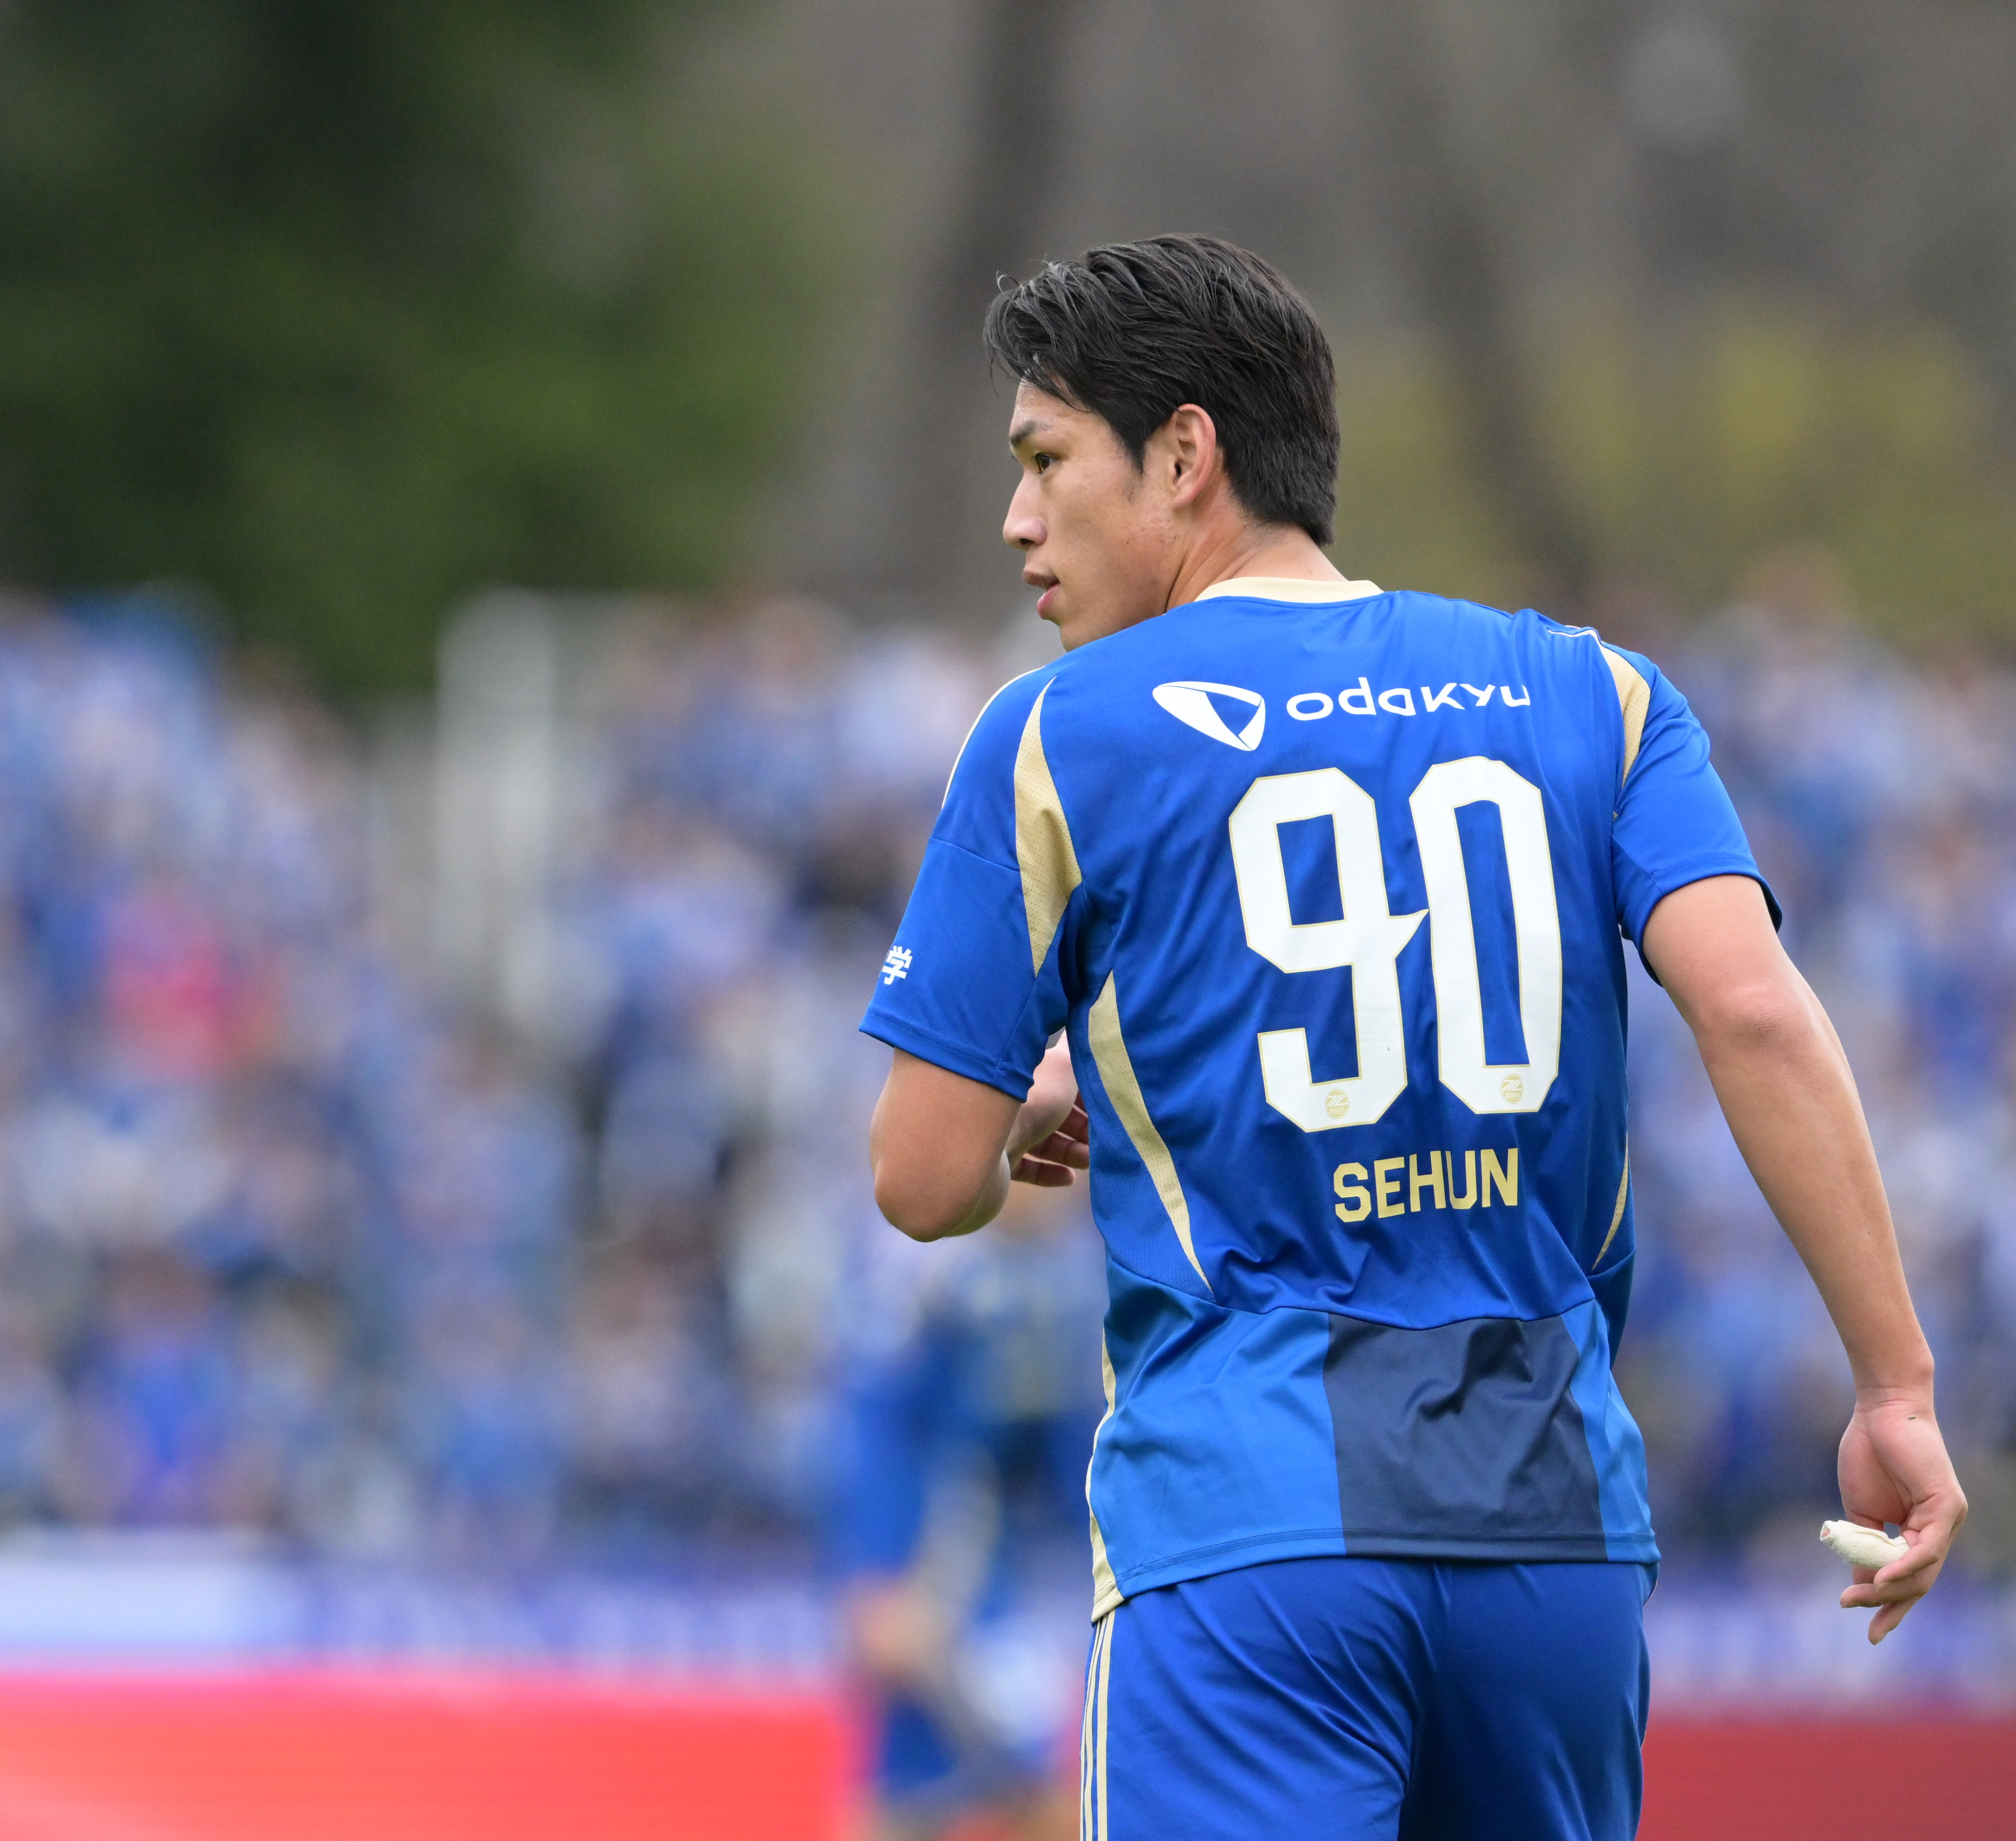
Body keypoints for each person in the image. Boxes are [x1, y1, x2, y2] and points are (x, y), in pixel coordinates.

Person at [859, 235, 1966, 1841]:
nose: (1019, 520)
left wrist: (1021, 1123)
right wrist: (1896, 1385)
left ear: (1185, 455)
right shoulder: (1596, 692)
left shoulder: (1054, 730)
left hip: (1247, 1539)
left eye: (1046, 461)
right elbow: (1751, 1009)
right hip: (1556, 1539)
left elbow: (918, 1179)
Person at [836, 1184, 1105, 1841]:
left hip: (1015, 1566)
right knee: (915, 1790)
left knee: (1035, 1779)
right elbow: (876, 1427)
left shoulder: (1072, 1270)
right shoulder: (923, 1266)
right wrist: (876, 1571)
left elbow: (1067, 1446)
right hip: (936, 1564)